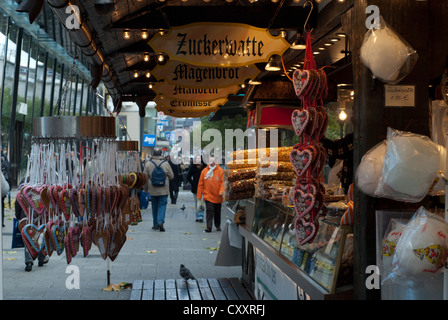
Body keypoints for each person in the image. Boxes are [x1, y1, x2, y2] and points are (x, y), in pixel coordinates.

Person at [15, 177, 49, 271]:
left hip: (25, 215)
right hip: (39, 216)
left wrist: (18, 215)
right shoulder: (42, 183)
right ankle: (41, 257)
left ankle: (29, 261)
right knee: (40, 236)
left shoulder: (23, 181)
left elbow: (18, 201)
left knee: (28, 237)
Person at [143, 148, 174, 232]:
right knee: (162, 205)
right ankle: (160, 221)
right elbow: (171, 176)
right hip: (163, 189)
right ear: (161, 154)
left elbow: (144, 178)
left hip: (153, 189)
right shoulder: (166, 164)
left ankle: (155, 224)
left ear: (153, 154)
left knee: (154, 206)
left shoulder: (148, 164)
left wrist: (145, 189)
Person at [196, 157, 224, 233]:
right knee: (209, 210)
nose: (211, 163)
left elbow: (223, 183)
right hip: (207, 195)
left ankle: (217, 225)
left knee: (217, 212)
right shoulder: (204, 171)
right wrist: (199, 196)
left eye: (213, 161)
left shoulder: (220, 171)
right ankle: (209, 227)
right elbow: (200, 184)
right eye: (210, 161)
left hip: (218, 196)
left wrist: (221, 192)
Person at [187, 155, 206, 222]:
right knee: (197, 202)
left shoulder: (205, 167)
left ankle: (201, 216)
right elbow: (188, 177)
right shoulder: (193, 167)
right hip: (195, 188)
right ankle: (198, 216)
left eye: (199, 158)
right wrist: (193, 183)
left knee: (201, 202)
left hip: (204, 187)